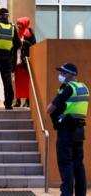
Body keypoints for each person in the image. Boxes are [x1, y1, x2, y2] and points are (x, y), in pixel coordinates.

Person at [47, 63, 89, 196]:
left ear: (71, 74)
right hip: (79, 130)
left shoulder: (68, 88)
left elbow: (50, 109)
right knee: (78, 165)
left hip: (67, 131)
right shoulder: (84, 87)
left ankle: (66, 194)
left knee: (66, 164)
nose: (61, 75)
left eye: (63, 73)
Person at [13, 17, 36, 108]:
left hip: (25, 61)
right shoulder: (16, 32)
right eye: (18, 23)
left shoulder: (30, 32)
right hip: (16, 61)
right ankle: (17, 101)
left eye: (20, 24)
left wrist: (24, 41)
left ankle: (28, 101)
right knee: (17, 82)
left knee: (26, 82)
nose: (18, 25)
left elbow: (34, 44)